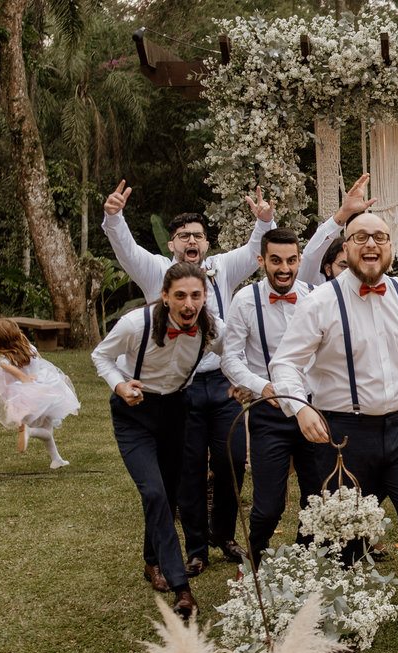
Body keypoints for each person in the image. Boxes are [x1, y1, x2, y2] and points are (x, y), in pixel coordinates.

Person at [268, 211, 398, 653]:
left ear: (390, 247)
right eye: (361, 236)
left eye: (380, 237)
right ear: (345, 248)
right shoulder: (320, 302)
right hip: (342, 433)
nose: (371, 244)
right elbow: (285, 364)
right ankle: (324, 624)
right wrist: (298, 407)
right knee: (339, 533)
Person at [102, 180, 275, 569]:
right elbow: (126, 250)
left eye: (197, 235)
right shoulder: (158, 273)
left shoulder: (221, 269)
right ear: (172, 245)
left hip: (224, 383)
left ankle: (224, 534)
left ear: (207, 245)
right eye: (183, 236)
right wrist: (114, 217)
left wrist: (265, 222)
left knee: (231, 459)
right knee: (189, 466)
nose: (190, 240)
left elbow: (253, 252)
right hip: (180, 388)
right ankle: (196, 549)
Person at [91, 262, 224, 619]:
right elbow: (101, 356)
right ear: (165, 296)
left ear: (205, 297)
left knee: (165, 491)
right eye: (179, 295)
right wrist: (119, 384)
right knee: (153, 492)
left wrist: (245, 383)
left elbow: (234, 357)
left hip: (176, 411)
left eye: (196, 295)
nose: (188, 303)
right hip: (134, 412)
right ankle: (182, 589)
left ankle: (152, 561)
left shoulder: (212, 329)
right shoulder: (137, 324)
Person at [221, 227, 323, 564]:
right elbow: (230, 357)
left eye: (291, 260)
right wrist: (259, 385)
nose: (284, 268)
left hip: (312, 408)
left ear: (299, 261)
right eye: (276, 260)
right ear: (261, 260)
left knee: (317, 497)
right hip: (269, 413)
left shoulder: (314, 296)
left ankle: (304, 558)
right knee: (268, 505)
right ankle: (255, 554)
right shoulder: (245, 300)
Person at [0, 318, 80, 468]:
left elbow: (21, 378)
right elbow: (40, 366)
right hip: (43, 391)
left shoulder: (4, 361)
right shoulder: (31, 349)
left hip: (26, 396)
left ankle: (47, 449)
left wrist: (11, 401)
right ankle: (48, 450)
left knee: (47, 431)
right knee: (47, 430)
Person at [299, 176, 375, 285]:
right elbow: (310, 257)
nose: (350, 273)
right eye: (343, 266)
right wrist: (345, 212)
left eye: (355, 266)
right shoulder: (315, 286)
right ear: (328, 269)